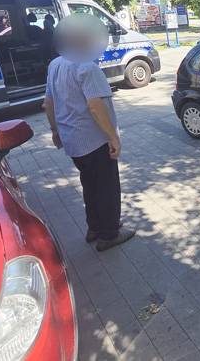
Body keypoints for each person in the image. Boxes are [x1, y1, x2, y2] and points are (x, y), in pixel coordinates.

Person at [43, 15, 134, 252]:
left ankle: (95, 227)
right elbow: (95, 106)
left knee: (90, 185)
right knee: (107, 188)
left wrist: (54, 131)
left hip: (73, 142)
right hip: (94, 141)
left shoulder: (56, 64)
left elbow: (48, 103)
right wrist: (112, 137)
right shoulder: (87, 67)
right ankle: (109, 234)